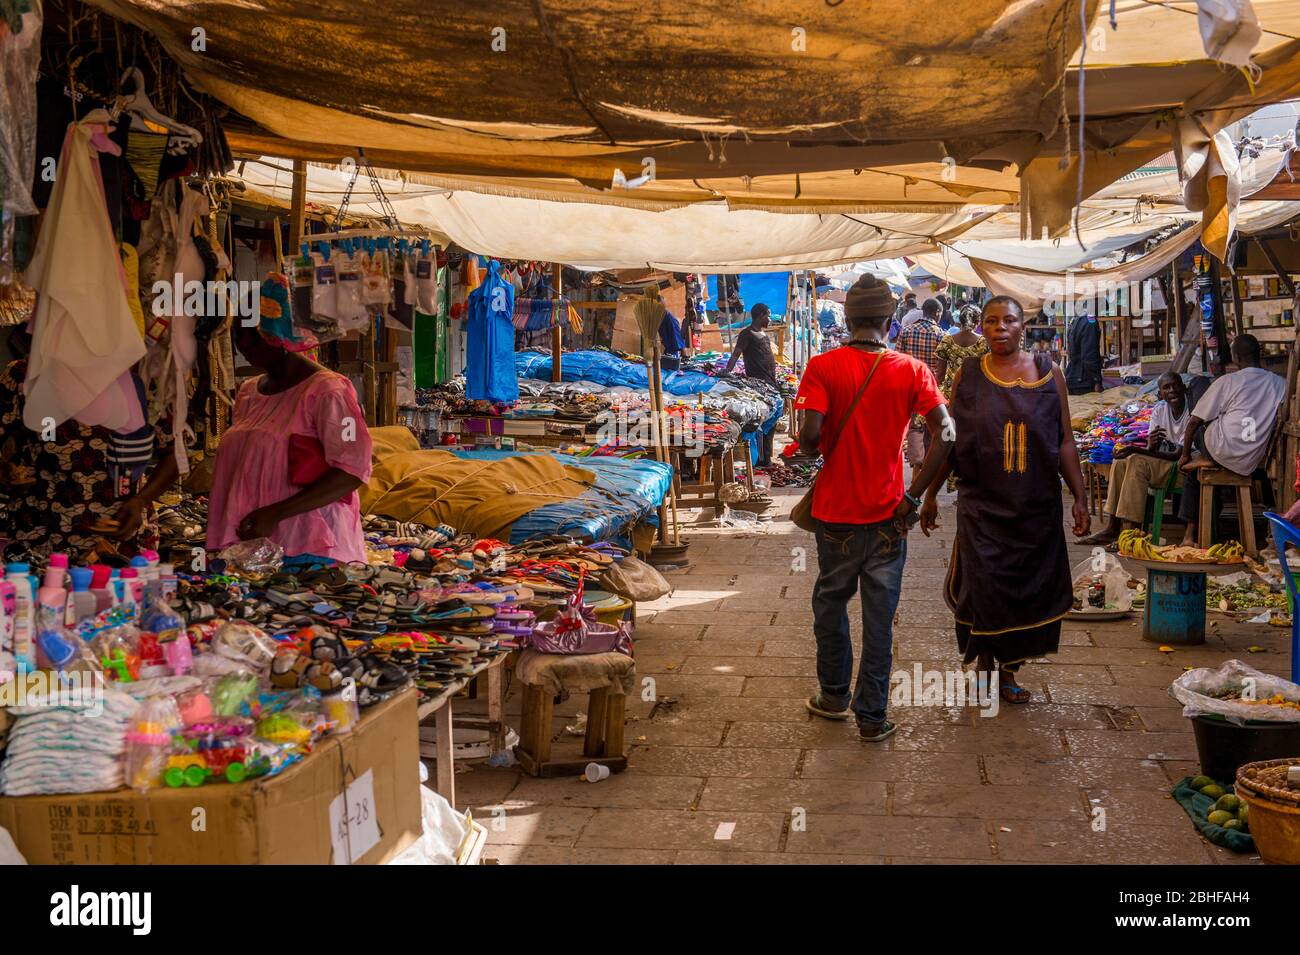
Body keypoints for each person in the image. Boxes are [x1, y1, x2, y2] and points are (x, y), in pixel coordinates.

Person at [795, 274, 954, 741]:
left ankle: (833, 696)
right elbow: (947, 433)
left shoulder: (822, 366)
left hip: (836, 516)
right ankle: (872, 717)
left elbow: (807, 439)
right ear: (890, 321)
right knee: (879, 620)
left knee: (830, 605)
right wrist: (916, 495)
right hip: (890, 515)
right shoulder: (912, 370)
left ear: (846, 318)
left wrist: (817, 446)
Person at [920, 296, 1089, 705]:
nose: (1000, 328)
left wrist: (1080, 497)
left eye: (1008, 320)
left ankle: (1009, 672)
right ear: (981, 327)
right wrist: (928, 493)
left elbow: (1064, 441)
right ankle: (984, 669)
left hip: (1036, 510)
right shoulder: (969, 373)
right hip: (983, 509)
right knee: (984, 591)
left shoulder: (1050, 374)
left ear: (1022, 326)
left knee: (1026, 594)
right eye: (991, 321)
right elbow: (950, 438)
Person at [115, 322, 374, 564]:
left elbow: (352, 471)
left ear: (281, 333)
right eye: (238, 335)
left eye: (254, 335)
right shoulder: (249, 392)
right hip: (254, 543)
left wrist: (277, 512)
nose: (244, 344)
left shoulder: (330, 391)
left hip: (310, 545)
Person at [1177, 333, 1286, 545]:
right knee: (1201, 454)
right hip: (1249, 460)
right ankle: (1207, 457)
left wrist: (1184, 454)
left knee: (1198, 384)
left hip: (1219, 448)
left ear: (1235, 357)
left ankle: (1189, 537)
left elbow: (1193, 423)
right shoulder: (1280, 383)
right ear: (1259, 354)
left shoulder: (1228, 381)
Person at [1080, 373, 1200, 545]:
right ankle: (1113, 528)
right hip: (1166, 462)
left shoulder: (1191, 411)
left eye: (1175, 385)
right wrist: (1149, 446)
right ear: (1160, 394)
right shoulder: (1160, 409)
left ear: (1183, 387)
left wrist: (1135, 449)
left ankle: (1131, 533)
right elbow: (1153, 450)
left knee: (1136, 461)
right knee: (1120, 462)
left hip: (1183, 468)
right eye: (1166, 388)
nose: (1172, 390)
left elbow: (1178, 455)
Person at [933, 304, 989, 493]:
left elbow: (939, 373)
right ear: (976, 321)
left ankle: (954, 482)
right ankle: (970, 482)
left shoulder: (948, 340)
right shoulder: (983, 343)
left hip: (950, 395)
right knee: (972, 439)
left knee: (951, 439)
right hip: (975, 396)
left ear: (959, 319)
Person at [894, 298, 944, 470]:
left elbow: (897, 359)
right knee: (931, 427)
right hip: (930, 387)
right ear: (937, 313)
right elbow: (941, 366)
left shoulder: (906, 331)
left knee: (915, 427)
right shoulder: (941, 335)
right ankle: (926, 464)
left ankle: (917, 461)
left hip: (908, 384)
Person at [726, 303, 779, 465]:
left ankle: (767, 457)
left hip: (770, 383)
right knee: (761, 423)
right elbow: (735, 355)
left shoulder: (762, 334)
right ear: (760, 316)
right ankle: (761, 459)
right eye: (768, 315)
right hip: (758, 385)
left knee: (772, 423)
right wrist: (727, 373)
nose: (770, 319)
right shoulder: (747, 334)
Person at [1065, 311, 1104, 394]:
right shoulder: (1090, 322)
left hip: (1074, 377)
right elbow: (1089, 355)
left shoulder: (1077, 320)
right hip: (1084, 380)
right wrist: (1096, 380)